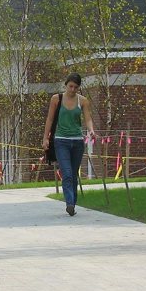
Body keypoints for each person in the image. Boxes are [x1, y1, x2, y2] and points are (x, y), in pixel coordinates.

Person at [42, 73, 96, 217]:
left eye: (76, 87)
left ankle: (72, 203)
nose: (72, 89)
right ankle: (70, 204)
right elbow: (49, 119)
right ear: (66, 85)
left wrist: (91, 130)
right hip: (61, 141)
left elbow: (88, 119)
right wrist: (45, 138)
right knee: (66, 173)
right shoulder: (56, 99)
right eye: (70, 86)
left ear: (79, 88)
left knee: (73, 173)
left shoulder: (83, 101)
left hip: (77, 142)